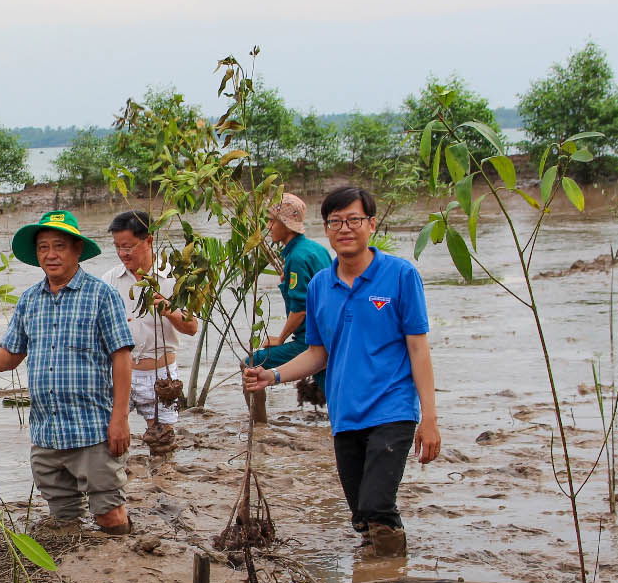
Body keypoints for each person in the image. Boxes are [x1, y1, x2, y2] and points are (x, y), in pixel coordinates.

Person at [243, 186, 442, 557]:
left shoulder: (400, 276)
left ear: (371, 225)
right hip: (346, 414)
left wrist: (429, 418)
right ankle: (377, 582)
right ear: (326, 228)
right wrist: (274, 376)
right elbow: (318, 354)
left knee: (378, 506)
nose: (344, 228)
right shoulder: (321, 285)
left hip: (393, 410)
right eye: (335, 221)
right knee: (361, 517)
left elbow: (419, 349)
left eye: (354, 220)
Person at [0, 210, 136, 535]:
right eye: (43, 247)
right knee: (65, 522)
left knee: (110, 517)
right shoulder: (29, 301)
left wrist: (119, 419)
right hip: (47, 435)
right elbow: (8, 357)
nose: (51, 255)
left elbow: (121, 357)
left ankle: (123, 573)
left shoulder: (100, 295)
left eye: (59, 246)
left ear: (77, 249)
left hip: (92, 431)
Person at [106, 210, 199, 427]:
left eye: (127, 247)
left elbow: (192, 327)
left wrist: (169, 310)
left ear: (148, 240)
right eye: (117, 247)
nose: (122, 253)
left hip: (160, 376)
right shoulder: (110, 279)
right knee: (109, 441)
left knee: (162, 445)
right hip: (120, 374)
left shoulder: (175, 278)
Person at [245, 193, 332, 418]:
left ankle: (259, 424)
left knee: (250, 364)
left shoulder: (297, 258)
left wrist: (280, 338)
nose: (268, 226)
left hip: (309, 341)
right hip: (329, 337)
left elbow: (301, 309)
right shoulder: (316, 249)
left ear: (285, 224)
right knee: (334, 395)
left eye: (272, 220)